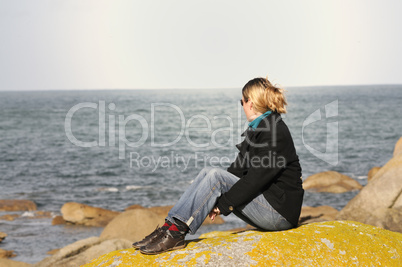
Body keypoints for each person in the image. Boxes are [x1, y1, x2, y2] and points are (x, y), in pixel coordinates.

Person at [132, 77, 304, 255]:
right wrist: (214, 197)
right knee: (209, 172)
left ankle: (176, 233)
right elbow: (237, 169)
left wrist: (223, 204)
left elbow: (255, 180)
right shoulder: (260, 128)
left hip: (279, 214)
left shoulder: (275, 131)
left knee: (215, 176)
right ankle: (169, 227)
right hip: (269, 205)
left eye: (241, 101)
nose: (242, 105)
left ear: (250, 103)